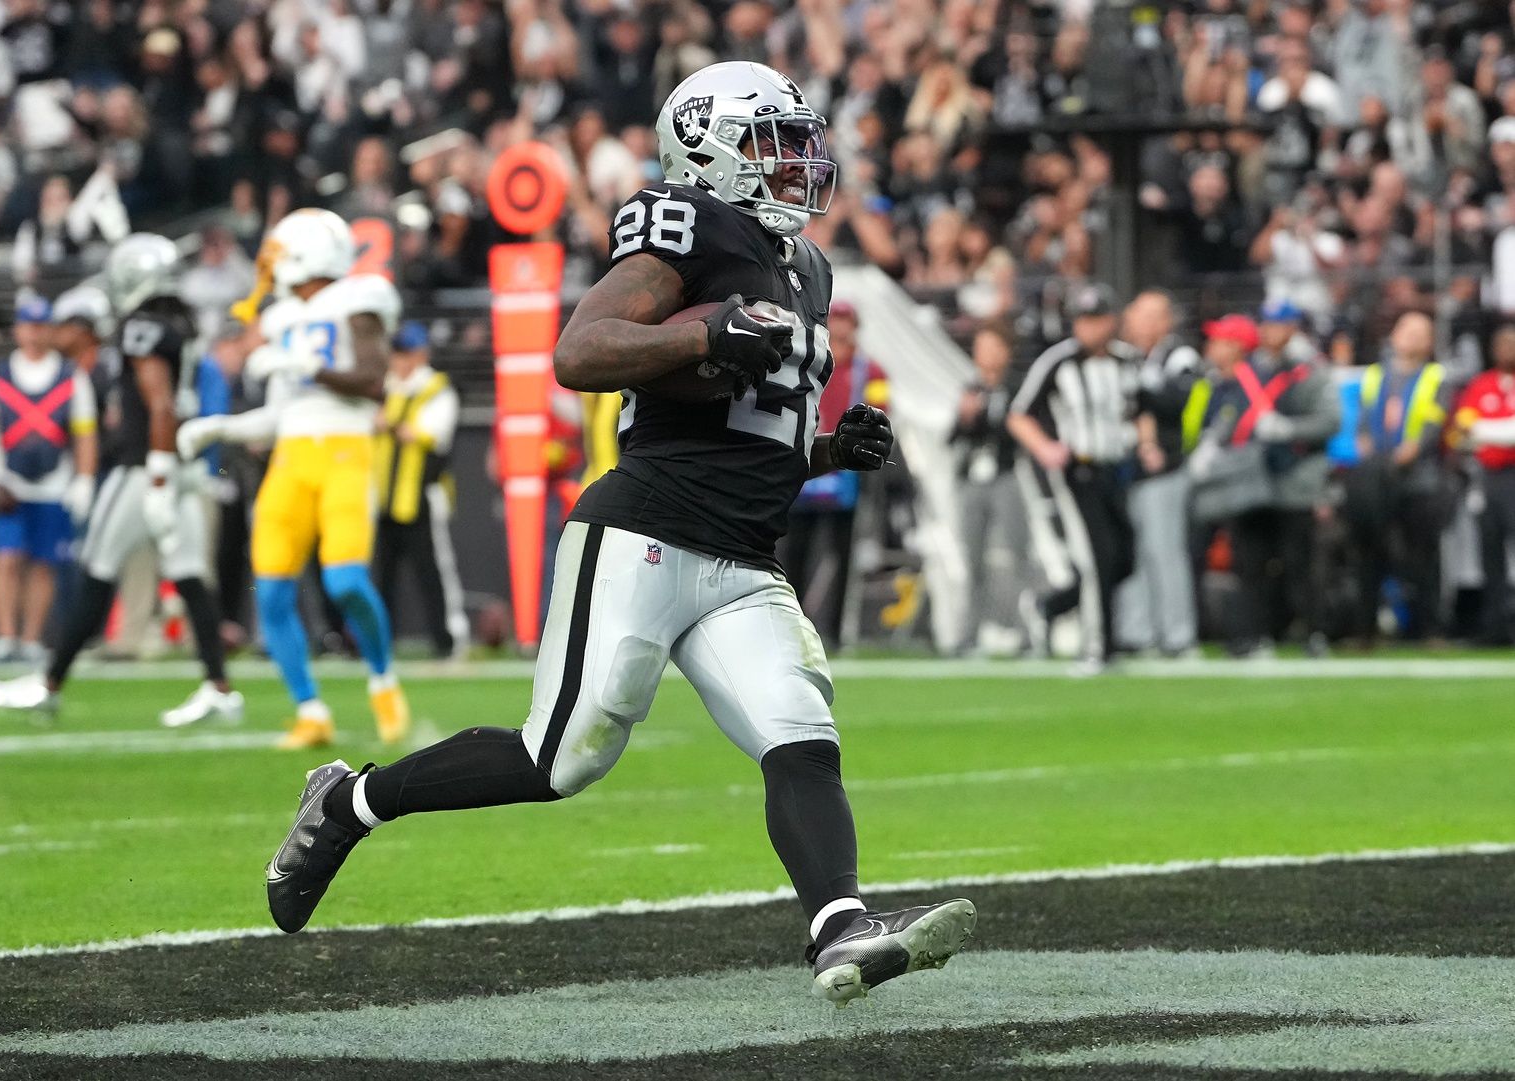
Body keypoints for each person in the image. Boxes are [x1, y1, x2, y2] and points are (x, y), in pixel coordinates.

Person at [259, 62, 975, 1007]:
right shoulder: (688, 224)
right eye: (769, 141)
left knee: (801, 735)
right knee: (562, 756)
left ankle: (840, 928)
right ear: (710, 152)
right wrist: (702, 336)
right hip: (643, 531)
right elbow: (580, 350)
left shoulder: (806, 267)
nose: (796, 161)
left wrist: (829, 449)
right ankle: (348, 801)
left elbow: (748, 433)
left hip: (743, 555)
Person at [0, 235, 245, 727]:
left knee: (96, 570)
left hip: (147, 468)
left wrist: (159, 478)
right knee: (189, 578)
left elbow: (160, 403)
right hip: (179, 466)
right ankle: (219, 688)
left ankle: (49, 683)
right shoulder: (179, 323)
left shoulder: (142, 326)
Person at [177, 207, 410, 749]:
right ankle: (310, 710)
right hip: (290, 458)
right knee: (274, 591)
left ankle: (383, 681)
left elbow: (374, 382)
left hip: (346, 452)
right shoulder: (282, 318)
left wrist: (303, 368)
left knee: (346, 582)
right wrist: (220, 427)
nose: (270, 266)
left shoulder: (358, 298)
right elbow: (279, 414)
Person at [1006, 282, 1141, 672]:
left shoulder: (1125, 360)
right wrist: (1046, 448)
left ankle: (1050, 606)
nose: (1089, 328)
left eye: (1096, 319)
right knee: (1098, 557)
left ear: (1111, 321)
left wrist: (1143, 441)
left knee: (1124, 558)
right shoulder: (1058, 360)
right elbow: (1019, 413)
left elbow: (1137, 408)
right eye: (1083, 320)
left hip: (1116, 468)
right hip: (1078, 470)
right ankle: (1099, 647)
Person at [1193, 309, 1341, 655]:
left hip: (1296, 480)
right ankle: (1254, 635)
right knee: (1249, 563)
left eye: (1278, 323)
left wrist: (1289, 429)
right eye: (1267, 323)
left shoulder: (1309, 371)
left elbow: (1330, 422)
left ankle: (1313, 632)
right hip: (1252, 481)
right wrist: (1216, 442)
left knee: (1299, 563)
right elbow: (1232, 415)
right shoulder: (1249, 371)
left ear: (1291, 327)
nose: (1271, 330)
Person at [0, 295, 98, 665]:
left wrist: (84, 479)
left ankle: (31, 637)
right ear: (18, 330)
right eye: (29, 326)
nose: (35, 335)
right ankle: (6, 635)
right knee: (7, 558)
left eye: (42, 327)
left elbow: (84, 432)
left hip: (53, 481)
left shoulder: (71, 376)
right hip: (10, 481)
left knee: (43, 563)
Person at [777, 300, 888, 648]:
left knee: (842, 553)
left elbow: (882, 410)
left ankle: (838, 634)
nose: (840, 329)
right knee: (794, 553)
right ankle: (789, 625)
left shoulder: (870, 370)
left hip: (845, 472)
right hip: (808, 462)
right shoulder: (809, 361)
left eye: (846, 321)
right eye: (835, 321)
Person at [1348, 311, 1452, 644]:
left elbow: (1433, 424)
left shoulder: (1436, 377)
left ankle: (1429, 629)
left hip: (1418, 478)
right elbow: (1364, 419)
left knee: (1423, 556)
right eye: (1406, 329)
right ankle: (1365, 629)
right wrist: (1365, 445)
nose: (1412, 337)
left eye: (1422, 332)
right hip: (1377, 476)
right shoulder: (1376, 376)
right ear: (1393, 335)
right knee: (1369, 551)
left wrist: (1412, 450)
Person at [370, 319, 468, 658]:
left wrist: (391, 423)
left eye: (406, 353)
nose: (399, 361)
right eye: (396, 354)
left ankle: (449, 638)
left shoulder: (437, 388)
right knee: (383, 575)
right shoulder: (388, 387)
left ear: (421, 354)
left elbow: (431, 433)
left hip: (423, 494)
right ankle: (380, 641)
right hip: (385, 497)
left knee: (434, 570)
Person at [1118, 290, 1202, 659]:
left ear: (1168, 321)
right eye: (1140, 315)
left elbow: (1177, 400)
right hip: (1127, 469)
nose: (1145, 323)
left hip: (1166, 467)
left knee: (1165, 551)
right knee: (1131, 554)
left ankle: (1177, 635)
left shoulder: (1179, 356)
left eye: (1154, 315)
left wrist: (1139, 393)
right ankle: (1136, 631)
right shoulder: (1125, 358)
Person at [948, 325, 1029, 656]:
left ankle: (1027, 631)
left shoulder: (1014, 388)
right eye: (981, 347)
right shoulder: (971, 388)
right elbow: (953, 438)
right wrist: (965, 417)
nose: (987, 355)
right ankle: (969, 634)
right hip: (972, 480)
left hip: (1005, 477)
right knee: (973, 559)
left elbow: (1019, 431)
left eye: (993, 346)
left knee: (1019, 555)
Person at [1456, 324, 1515, 645]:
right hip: (1490, 477)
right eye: (1501, 343)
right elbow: (1461, 433)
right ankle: (1495, 628)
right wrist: (1493, 431)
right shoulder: (1482, 385)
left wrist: (1482, 430)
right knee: (1489, 553)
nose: (1506, 349)